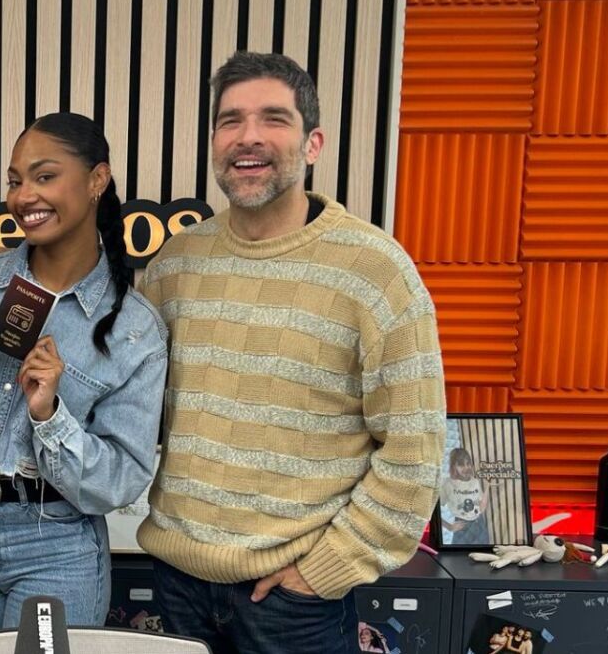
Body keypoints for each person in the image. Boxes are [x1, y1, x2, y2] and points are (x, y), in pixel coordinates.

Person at [137, 51, 446, 653]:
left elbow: (415, 453)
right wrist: (13, 268)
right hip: (178, 589)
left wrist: (324, 570)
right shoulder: (175, 265)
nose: (248, 136)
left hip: (294, 605)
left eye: (273, 118)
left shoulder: (377, 272)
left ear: (312, 144)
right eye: (230, 120)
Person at [0, 113, 167, 640]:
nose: (24, 196)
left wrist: (50, 417)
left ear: (97, 179)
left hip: (56, 545)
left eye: (45, 176)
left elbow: (120, 480)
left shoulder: (135, 330)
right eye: (15, 180)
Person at [441, 447, 490, 545]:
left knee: (483, 553)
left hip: (479, 525)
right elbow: (432, 510)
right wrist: (449, 526)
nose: (466, 468)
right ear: (454, 466)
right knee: (460, 554)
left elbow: (481, 508)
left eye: (468, 464)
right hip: (462, 526)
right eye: (461, 464)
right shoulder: (448, 484)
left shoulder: (475, 482)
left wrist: (488, 486)